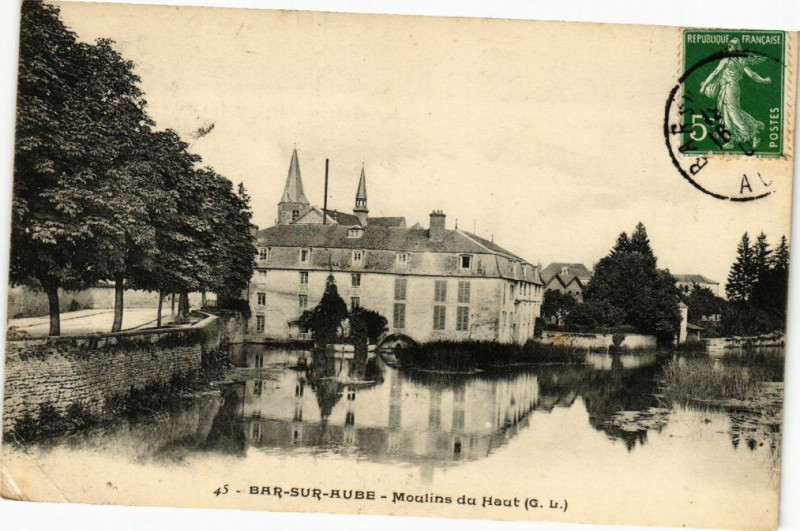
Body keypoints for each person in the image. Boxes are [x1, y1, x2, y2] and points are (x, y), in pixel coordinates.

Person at [700, 38, 771, 149]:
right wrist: (764, 80)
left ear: (736, 47)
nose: (729, 47)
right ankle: (731, 139)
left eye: (731, 45)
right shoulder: (736, 59)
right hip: (726, 87)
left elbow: (751, 74)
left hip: (731, 87)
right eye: (729, 45)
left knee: (733, 113)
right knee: (725, 113)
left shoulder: (733, 60)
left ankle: (754, 133)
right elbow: (716, 72)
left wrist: (763, 80)